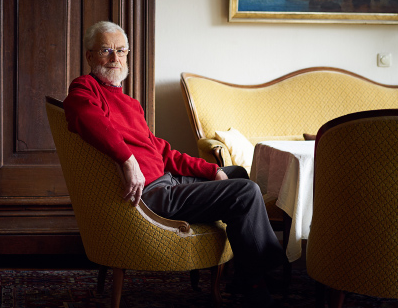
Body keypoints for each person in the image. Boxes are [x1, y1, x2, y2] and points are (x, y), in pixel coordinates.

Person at [63, 21, 285, 307]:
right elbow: (83, 116)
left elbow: (162, 151)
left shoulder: (129, 103)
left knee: (236, 174)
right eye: (106, 50)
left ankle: (248, 270)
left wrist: (212, 170)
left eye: (121, 51)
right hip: (151, 195)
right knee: (245, 191)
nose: (115, 58)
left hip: (166, 181)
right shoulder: (85, 89)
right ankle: (255, 281)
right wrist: (127, 160)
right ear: (90, 56)